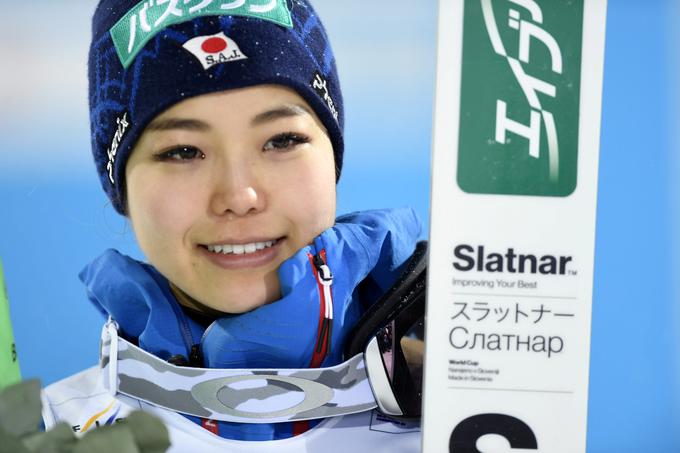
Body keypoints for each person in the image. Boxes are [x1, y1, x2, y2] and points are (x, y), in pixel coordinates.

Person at [41, 0, 423, 451]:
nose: (239, 197)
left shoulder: (475, 409)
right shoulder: (47, 434)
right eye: (183, 151)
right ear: (122, 187)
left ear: (332, 157)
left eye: (282, 140)